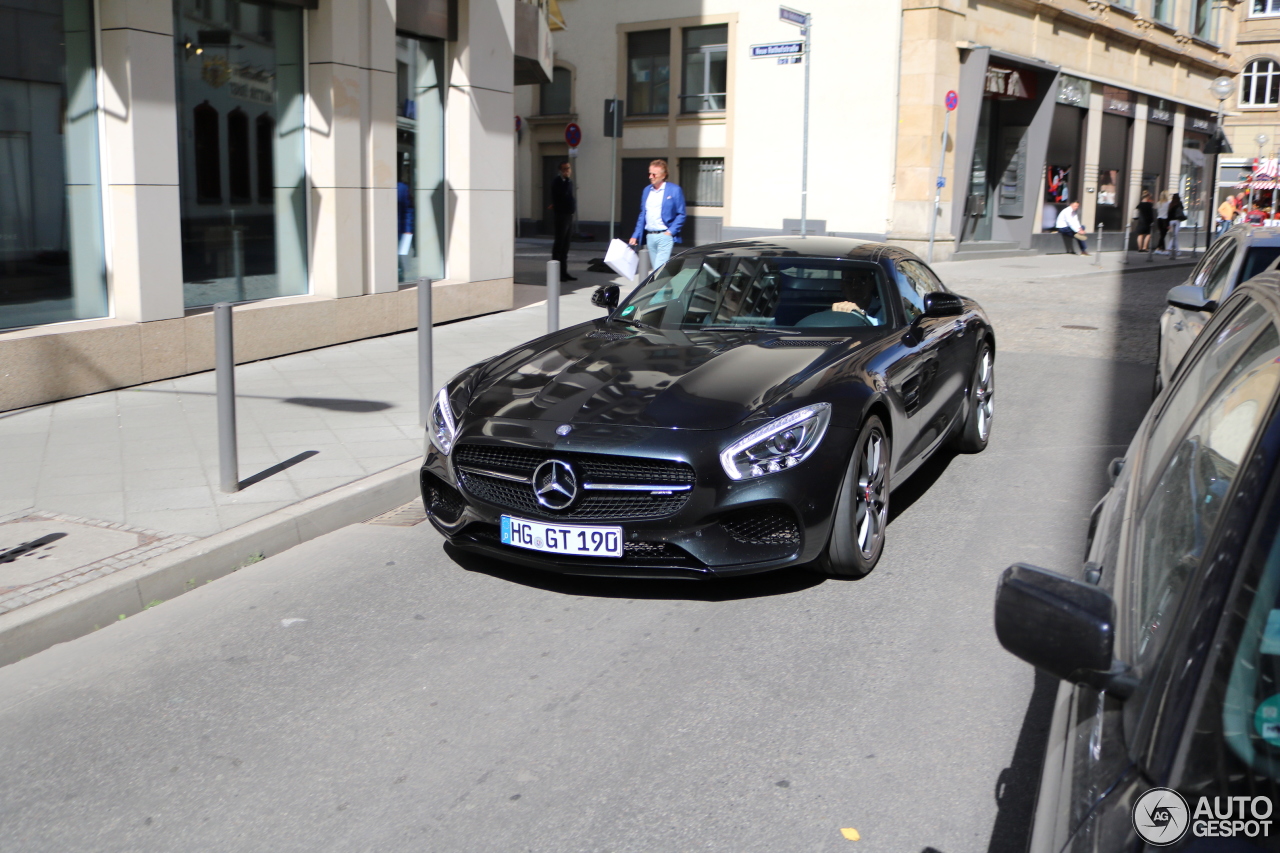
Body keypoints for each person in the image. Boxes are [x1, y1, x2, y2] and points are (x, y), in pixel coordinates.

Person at [629, 159, 686, 270]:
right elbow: (642, 214)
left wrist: (670, 232)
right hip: (650, 235)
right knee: (659, 271)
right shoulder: (647, 190)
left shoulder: (674, 190)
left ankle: (661, 287)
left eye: (654, 174)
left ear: (663, 175)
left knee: (658, 270)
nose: (650, 177)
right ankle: (670, 288)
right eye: (649, 173)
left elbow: (681, 214)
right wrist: (635, 235)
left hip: (664, 235)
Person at [549, 161, 576, 281]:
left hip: (569, 216)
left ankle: (564, 272)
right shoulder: (558, 182)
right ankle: (556, 273)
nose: (567, 171)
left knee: (566, 246)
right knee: (559, 244)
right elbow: (561, 195)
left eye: (568, 168)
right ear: (560, 170)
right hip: (561, 216)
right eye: (565, 169)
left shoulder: (569, 182)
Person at [1167, 192, 1186, 260]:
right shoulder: (1179, 204)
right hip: (1177, 221)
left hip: (1171, 221)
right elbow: (1182, 209)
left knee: (1174, 236)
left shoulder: (1171, 204)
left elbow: (1168, 214)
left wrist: (1167, 223)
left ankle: (1177, 250)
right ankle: (1169, 249)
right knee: (1175, 236)